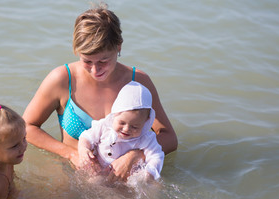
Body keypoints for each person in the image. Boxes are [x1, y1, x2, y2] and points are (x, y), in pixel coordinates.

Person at [23, 3, 177, 182]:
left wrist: (135, 155)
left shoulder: (138, 82)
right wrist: (72, 154)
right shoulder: (62, 79)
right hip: (74, 179)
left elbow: (169, 137)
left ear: (118, 47)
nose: (96, 70)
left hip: (125, 181)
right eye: (87, 61)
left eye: (103, 60)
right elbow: (27, 127)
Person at [78, 81, 164, 181]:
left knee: (149, 187)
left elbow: (156, 156)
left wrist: (150, 173)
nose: (126, 129)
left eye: (135, 127)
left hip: (128, 178)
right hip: (101, 172)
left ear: (145, 122)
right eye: (122, 123)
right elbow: (86, 137)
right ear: (115, 114)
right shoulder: (104, 127)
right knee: (93, 182)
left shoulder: (146, 139)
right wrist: (83, 149)